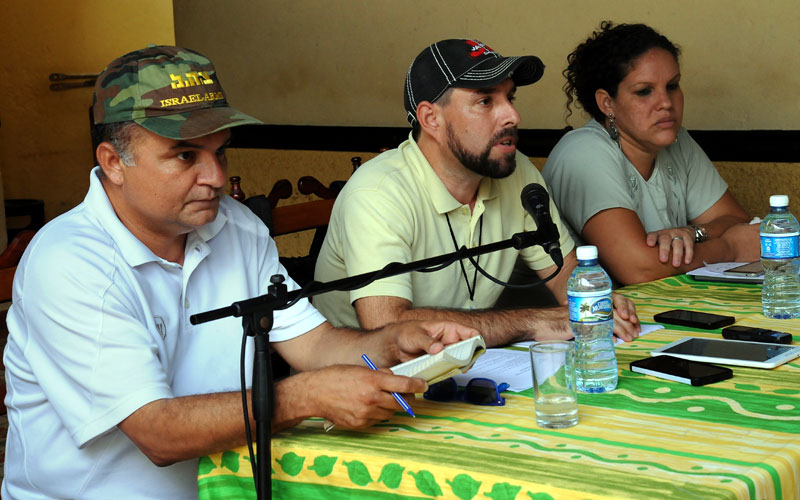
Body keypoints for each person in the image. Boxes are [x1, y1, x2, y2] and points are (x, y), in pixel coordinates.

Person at [1, 46, 478, 500]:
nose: (215, 177)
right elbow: (156, 432)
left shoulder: (234, 227)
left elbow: (312, 344)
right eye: (186, 156)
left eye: (221, 152)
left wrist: (390, 343)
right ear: (113, 163)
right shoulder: (71, 263)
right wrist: (304, 397)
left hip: (230, 486)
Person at [313, 38, 640, 346]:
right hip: (366, 386)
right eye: (485, 101)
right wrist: (533, 321)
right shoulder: (378, 193)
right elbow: (387, 325)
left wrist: (595, 301)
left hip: (463, 368)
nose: (513, 116)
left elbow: (562, 272)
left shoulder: (515, 170)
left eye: (510, 98)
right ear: (431, 119)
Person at [541, 22, 759, 285]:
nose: (666, 103)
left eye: (672, 86)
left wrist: (692, 233)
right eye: (644, 91)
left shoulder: (678, 140)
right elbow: (638, 269)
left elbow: (738, 222)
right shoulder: (583, 152)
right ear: (607, 103)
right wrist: (729, 249)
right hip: (578, 321)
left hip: (651, 311)